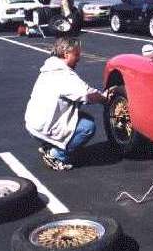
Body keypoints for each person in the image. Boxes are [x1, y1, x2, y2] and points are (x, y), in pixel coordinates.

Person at [24, 37, 113, 171]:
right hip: (43, 127)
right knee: (87, 126)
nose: (78, 58)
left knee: (79, 116)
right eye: (76, 55)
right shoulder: (63, 75)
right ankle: (56, 156)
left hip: (33, 124)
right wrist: (104, 98)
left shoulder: (50, 68)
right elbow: (87, 94)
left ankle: (49, 145)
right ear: (66, 54)